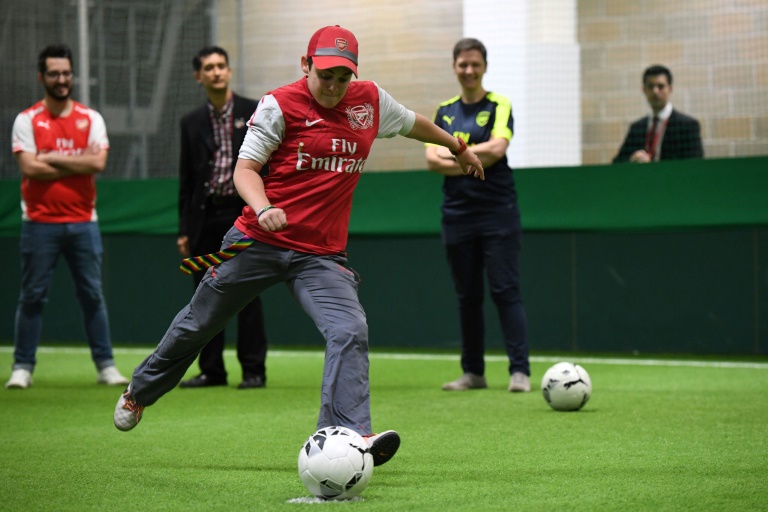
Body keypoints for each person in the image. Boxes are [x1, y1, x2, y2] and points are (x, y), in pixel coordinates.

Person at [113, 25, 484, 466]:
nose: (333, 86)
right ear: (306, 65)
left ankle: (344, 436)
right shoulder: (279, 105)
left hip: (320, 255)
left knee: (349, 330)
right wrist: (264, 206)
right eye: (325, 75)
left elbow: (412, 123)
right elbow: (245, 170)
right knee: (199, 322)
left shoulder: (369, 101)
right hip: (257, 240)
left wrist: (457, 146)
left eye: (342, 77)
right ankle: (140, 391)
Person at [6, 44, 129, 389]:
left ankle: (106, 365)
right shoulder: (27, 119)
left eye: (66, 73)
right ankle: (22, 367)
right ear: (41, 77)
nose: (61, 79)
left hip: (83, 222)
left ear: (72, 75)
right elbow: (29, 167)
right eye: (54, 74)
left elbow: (98, 163)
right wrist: (77, 162)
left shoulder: (91, 118)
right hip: (38, 223)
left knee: (92, 295)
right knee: (32, 296)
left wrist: (50, 157)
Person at [425, 38, 530, 393]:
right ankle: (473, 373)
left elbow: (498, 149)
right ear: (454, 67)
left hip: (498, 211)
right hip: (457, 215)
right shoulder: (444, 111)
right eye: (463, 64)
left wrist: (455, 155)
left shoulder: (499, 104)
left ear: (484, 66)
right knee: (467, 296)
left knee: (505, 290)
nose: (469, 71)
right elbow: (431, 160)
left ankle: (520, 371)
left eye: (475, 64)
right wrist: (472, 157)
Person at [177, 46, 268, 390]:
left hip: (243, 213)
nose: (216, 72)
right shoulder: (190, 122)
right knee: (206, 295)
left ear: (228, 71)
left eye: (221, 66)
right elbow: (186, 181)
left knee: (247, 292)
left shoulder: (253, 111)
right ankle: (212, 370)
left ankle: (254, 370)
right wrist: (184, 230)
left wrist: (263, 208)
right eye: (208, 68)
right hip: (204, 217)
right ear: (198, 76)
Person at [613, 64, 703, 163]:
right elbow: (617, 163)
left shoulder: (687, 126)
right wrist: (631, 160)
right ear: (644, 90)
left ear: (670, 89)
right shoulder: (636, 128)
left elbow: (695, 164)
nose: (655, 91)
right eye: (650, 86)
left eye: (660, 86)